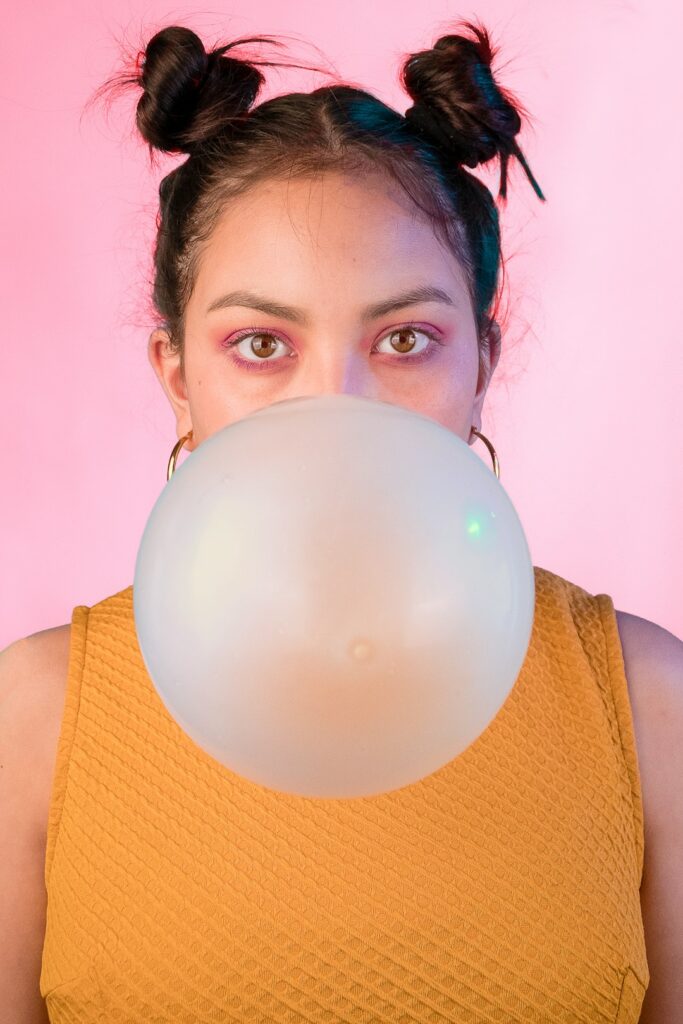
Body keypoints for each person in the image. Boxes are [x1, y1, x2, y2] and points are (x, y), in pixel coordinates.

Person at [2, 20, 681, 1024]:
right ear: (177, 379)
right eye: (260, 344)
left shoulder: (646, 704)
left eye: (404, 339)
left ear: (481, 368)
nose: (336, 406)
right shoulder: (36, 717)